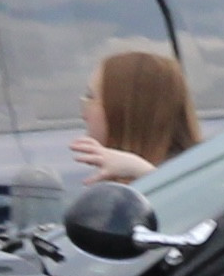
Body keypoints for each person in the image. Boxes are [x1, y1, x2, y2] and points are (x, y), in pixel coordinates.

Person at [66, 43, 200, 184]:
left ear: (122, 110)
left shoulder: (199, 181)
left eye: (91, 97)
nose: (84, 114)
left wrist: (144, 174)